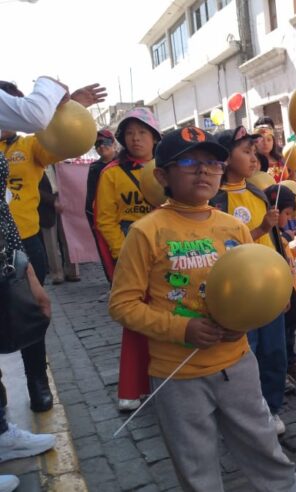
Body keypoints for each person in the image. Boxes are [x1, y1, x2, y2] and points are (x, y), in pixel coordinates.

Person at [108, 126, 296, 492]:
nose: (203, 171)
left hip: (238, 364)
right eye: (188, 162)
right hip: (177, 377)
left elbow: (253, 288)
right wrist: (182, 330)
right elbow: (122, 305)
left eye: (212, 163)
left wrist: (245, 322)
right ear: (162, 175)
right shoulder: (146, 231)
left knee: (267, 453)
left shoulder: (234, 227)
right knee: (197, 470)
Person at [0, 75, 101, 492]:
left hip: (18, 244)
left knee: (27, 321)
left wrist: (67, 110)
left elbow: (59, 138)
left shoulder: (28, 144)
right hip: (8, 244)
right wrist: (55, 91)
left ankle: (31, 393)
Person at [210, 126, 288, 434]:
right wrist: (258, 230)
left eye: (254, 152)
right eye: (245, 152)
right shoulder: (215, 202)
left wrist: (284, 287)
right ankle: (246, 410)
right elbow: (226, 251)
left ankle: (272, 407)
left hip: (269, 288)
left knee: (274, 352)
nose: (254, 158)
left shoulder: (257, 192)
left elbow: (273, 247)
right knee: (246, 354)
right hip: (240, 294)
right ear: (225, 159)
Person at [94, 107, 161, 412]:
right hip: (131, 252)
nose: (136, 139)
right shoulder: (111, 174)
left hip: (166, 251)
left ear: (154, 137)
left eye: (142, 133)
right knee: (135, 319)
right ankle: (132, 387)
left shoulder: (166, 169)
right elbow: (105, 219)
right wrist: (123, 255)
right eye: (130, 133)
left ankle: (167, 379)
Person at [263, 184, 296, 381]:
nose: (290, 218)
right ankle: (282, 367)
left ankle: (289, 361)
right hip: (279, 293)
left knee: (292, 325)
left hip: (291, 290)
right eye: (286, 213)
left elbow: (287, 257)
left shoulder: (280, 236)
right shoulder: (269, 236)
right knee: (280, 335)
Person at [38, 169, 78, 284]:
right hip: (46, 205)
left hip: (65, 201)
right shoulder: (35, 166)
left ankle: (73, 271)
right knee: (51, 242)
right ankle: (56, 274)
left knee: (70, 238)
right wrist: (53, 201)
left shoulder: (59, 164)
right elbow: (34, 189)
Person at [85, 129, 117, 229]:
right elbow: (91, 195)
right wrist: (91, 217)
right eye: (97, 143)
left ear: (113, 144)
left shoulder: (126, 162)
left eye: (105, 142)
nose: (102, 146)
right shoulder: (94, 168)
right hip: (105, 216)